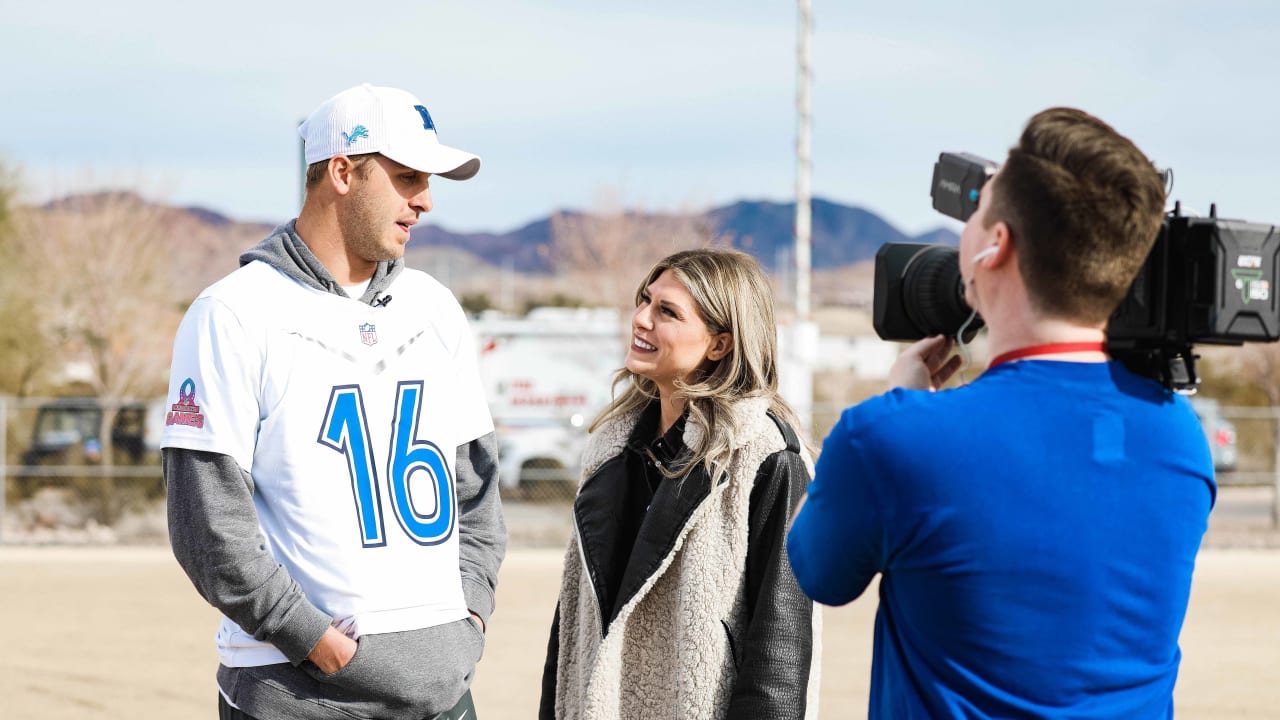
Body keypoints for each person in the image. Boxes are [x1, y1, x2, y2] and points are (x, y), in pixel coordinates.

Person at [786, 107, 1216, 718]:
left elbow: (817, 571)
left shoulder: (890, 437)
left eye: (977, 209)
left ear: (996, 245)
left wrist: (896, 406)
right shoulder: (1180, 435)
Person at [162, 83, 506, 720]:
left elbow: (477, 487)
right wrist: (309, 638)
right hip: (301, 697)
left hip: (444, 696)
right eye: (407, 178)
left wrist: (470, 616)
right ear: (342, 173)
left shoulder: (436, 308)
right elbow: (206, 522)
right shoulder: (233, 312)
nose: (425, 201)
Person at [539, 248, 821, 720]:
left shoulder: (766, 456)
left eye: (666, 312)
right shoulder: (611, 448)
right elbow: (571, 624)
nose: (641, 320)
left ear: (720, 344)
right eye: (645, 301)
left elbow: (780, 648)